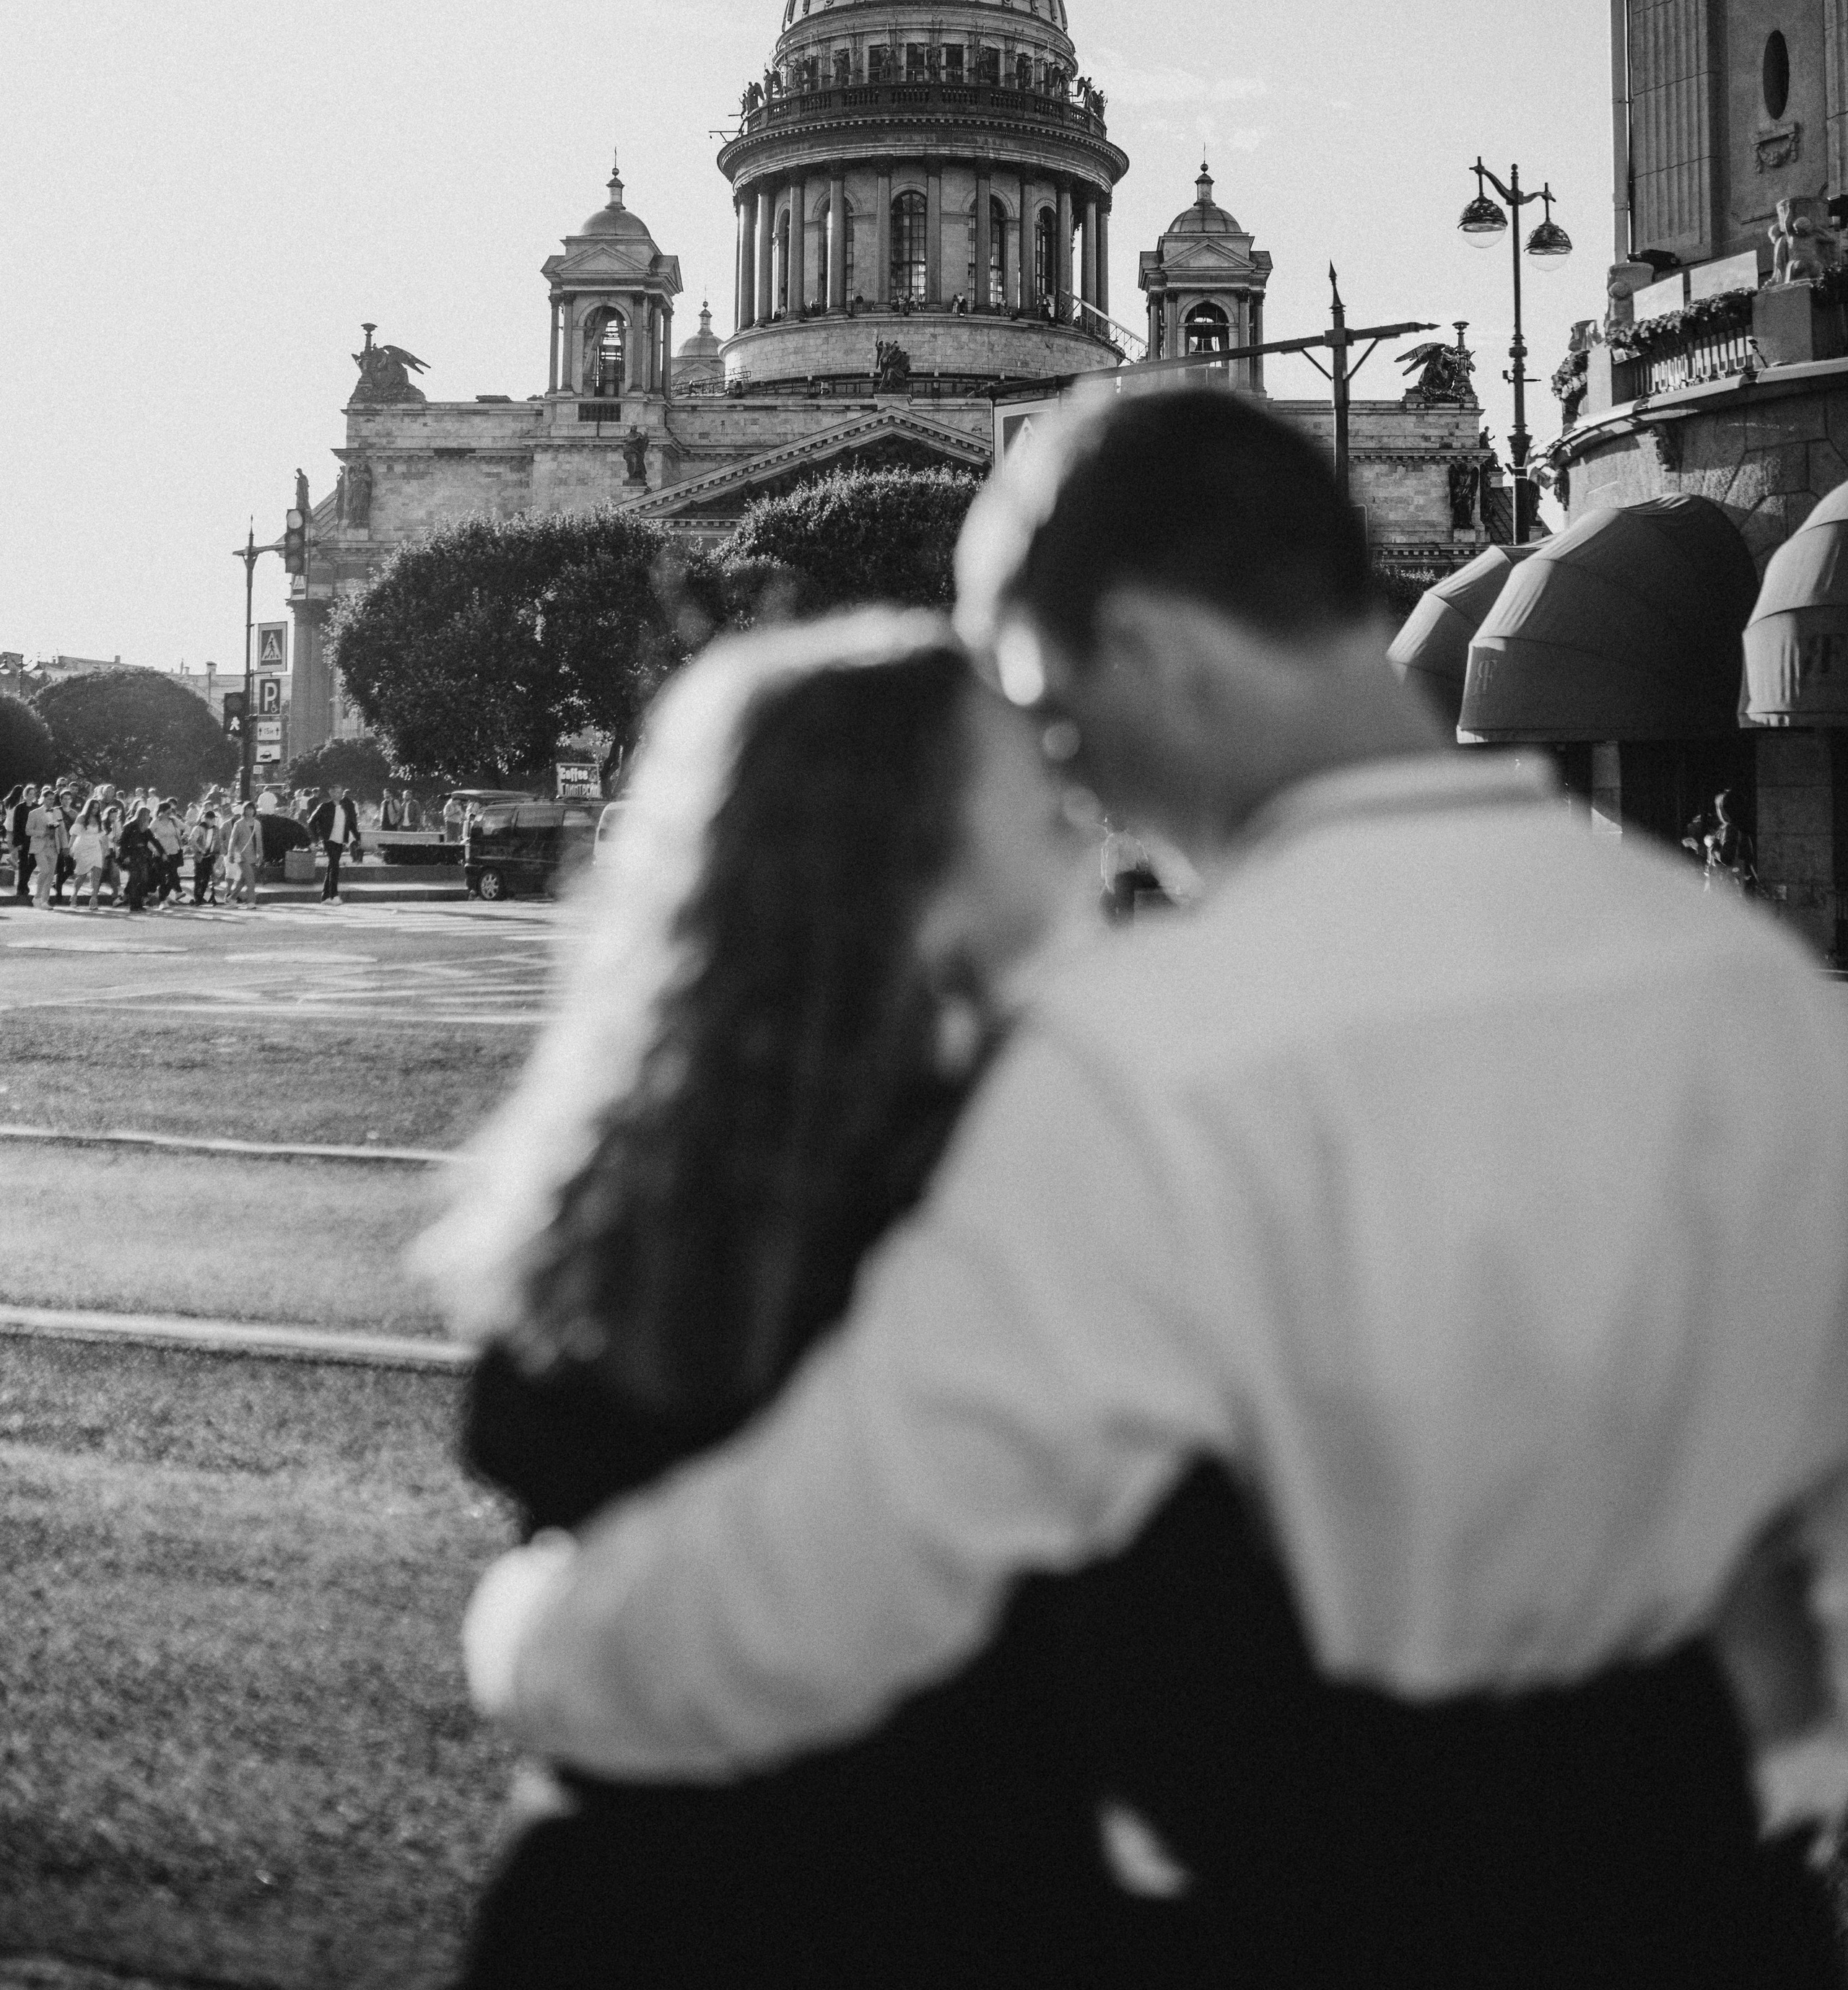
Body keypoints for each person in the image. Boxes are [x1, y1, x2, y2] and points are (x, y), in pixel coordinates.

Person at [466, 385, 1848, 1986]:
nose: (1075, 786)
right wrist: (1790, 1771)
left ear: (1148, 651)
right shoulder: (1747, 985)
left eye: (1054, 717)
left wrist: (546, 1647)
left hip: (1354, 1901)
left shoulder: (1151, 1048)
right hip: (1724, 1905)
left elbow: (871, 1551)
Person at [424, 615, 1104, 1989]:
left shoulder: (617, 1180)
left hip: (615, 1901)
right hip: (948, 1901)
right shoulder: (1014, 1182)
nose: (1088, 833)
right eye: (1044, 810)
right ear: (917, 873)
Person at [306, 785, 362, 901]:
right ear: (331, 793)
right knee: (335, 865)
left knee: (332, 866)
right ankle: (334, 895)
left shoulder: (346, 807)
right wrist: (317, 838)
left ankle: (325, 897)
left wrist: (358, 838)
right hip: (328, 840)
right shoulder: (324, 806)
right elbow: (311, 822)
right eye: (336, 792)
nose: (339, 794)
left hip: (340, 840)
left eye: (340, 792)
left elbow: (351, 824)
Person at [25, 786, 62, 909]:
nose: (52, 801)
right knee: (45, 871)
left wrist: (65, 846)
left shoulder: (57, 812)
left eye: (53, 799)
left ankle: (45, 901)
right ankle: (37, 897)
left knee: (51, 875)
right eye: (49, 799)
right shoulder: (34, 813)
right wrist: (43, 833)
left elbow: (62, 831)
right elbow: (28, 831)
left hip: (54, 846)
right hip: (39, 846)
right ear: (43, 799)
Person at [70, 800, 108, 912]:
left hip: (95, 848)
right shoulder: (81, 818)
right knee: (82, 875)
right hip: (83, 847)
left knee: (97, 874)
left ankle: (94, 899)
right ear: (89, 807)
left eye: (97, 808)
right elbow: (74, 834)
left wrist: (105, 849)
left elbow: (103, 835)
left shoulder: (99, 819)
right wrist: (70, 848)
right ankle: (74, 895)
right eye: (93, 808)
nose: (95, 810)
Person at [223, 800, 262, 907]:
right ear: (243, 811)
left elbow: (259, 840)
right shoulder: (239, 824)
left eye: (251, 809)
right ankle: (251, 902)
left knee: (243, 879)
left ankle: (232, 899)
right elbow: (232, 840)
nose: (249, 811)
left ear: (254, 811)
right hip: (241, 855)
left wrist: (260, 854)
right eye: (247, 809)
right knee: (250, 878)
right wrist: (231, 854)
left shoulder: (257, 824)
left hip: (253, 856)